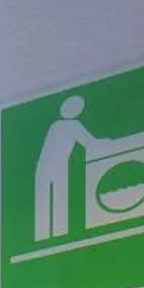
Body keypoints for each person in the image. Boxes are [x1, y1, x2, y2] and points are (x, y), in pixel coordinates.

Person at [35, 95, 93, 242]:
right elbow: (89, 143)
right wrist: (108, 143)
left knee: (45, 199)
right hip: (58, 166)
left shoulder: (55, 125)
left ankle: (45, 235)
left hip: (43, 167)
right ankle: (58, 235)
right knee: (58, 197)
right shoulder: (72, 125)